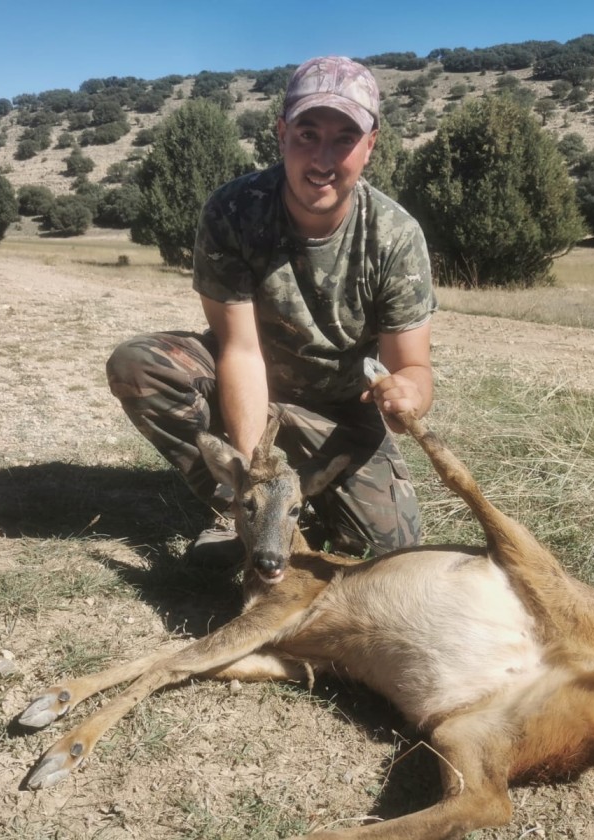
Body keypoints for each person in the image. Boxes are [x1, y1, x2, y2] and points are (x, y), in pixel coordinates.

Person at [106, 55, 436, 561]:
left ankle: (306, 505)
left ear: (370, 146)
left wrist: (406, 393)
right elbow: (240, 351)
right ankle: (239, 510)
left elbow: (412, 365)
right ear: (281, 133)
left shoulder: (395, 236)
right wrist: (255, 477)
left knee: (388, 554)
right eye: (307, 134)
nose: (322, 158)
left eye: (344, 138)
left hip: (341, 409)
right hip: (248, 381)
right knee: (141, 365)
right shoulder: (233, 210)